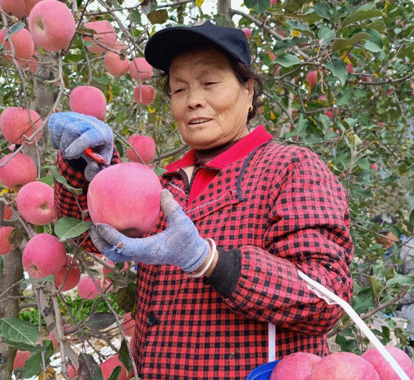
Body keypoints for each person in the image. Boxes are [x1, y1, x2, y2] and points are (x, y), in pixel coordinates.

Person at [49, 21, 353, 379]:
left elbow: (326, 297)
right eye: (179, 89)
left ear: (249, 90)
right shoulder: (162, 184)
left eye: (209, 83)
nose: (193, 99)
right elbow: (89, 237)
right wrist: (84, 163)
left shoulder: (291, 168)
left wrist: (210, 260)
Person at [371, 215, 414, 345]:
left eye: (385, 233)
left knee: (412, 319)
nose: (380, 238)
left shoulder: (410, 252)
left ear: (396, 231)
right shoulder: (376, 253)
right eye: (377, 234)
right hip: (392, 296)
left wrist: (388, 302)